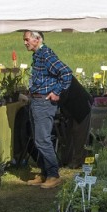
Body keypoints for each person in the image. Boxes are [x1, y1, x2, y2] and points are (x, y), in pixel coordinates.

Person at [23, 30, 74, 189]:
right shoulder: (38, 54)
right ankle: (45, 172)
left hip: (43, 103)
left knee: (43, 140)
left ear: (37, 39)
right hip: (37, 100)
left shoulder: (46, 54)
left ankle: (53, 174)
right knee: (39, 139)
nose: (25, 43)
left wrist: (57, 92)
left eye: (27, 40)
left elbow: (66, 72)